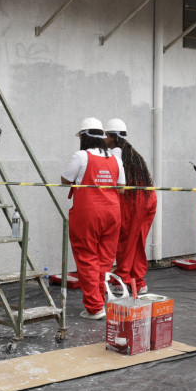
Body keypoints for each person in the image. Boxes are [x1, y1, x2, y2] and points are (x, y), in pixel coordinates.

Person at [61, 118, 124, 319]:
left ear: (84, 137)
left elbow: (65, 180)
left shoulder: (82, 156)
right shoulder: (115, 158)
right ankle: (99, 298)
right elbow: (121, 187)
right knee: (104, 258)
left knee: (87, 256)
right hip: (112, 212)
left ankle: (95, 307)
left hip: (88, 212)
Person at [104, 118, 156, 296]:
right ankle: (138, 281)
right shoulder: (132, 152)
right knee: (137, 241)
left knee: (125, 239)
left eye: (106, 135)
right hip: (148, 197)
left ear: (111, 136)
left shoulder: (115, 154)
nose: (104, 139)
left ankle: (121, 280)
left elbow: (117, 182)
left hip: (134, 199)